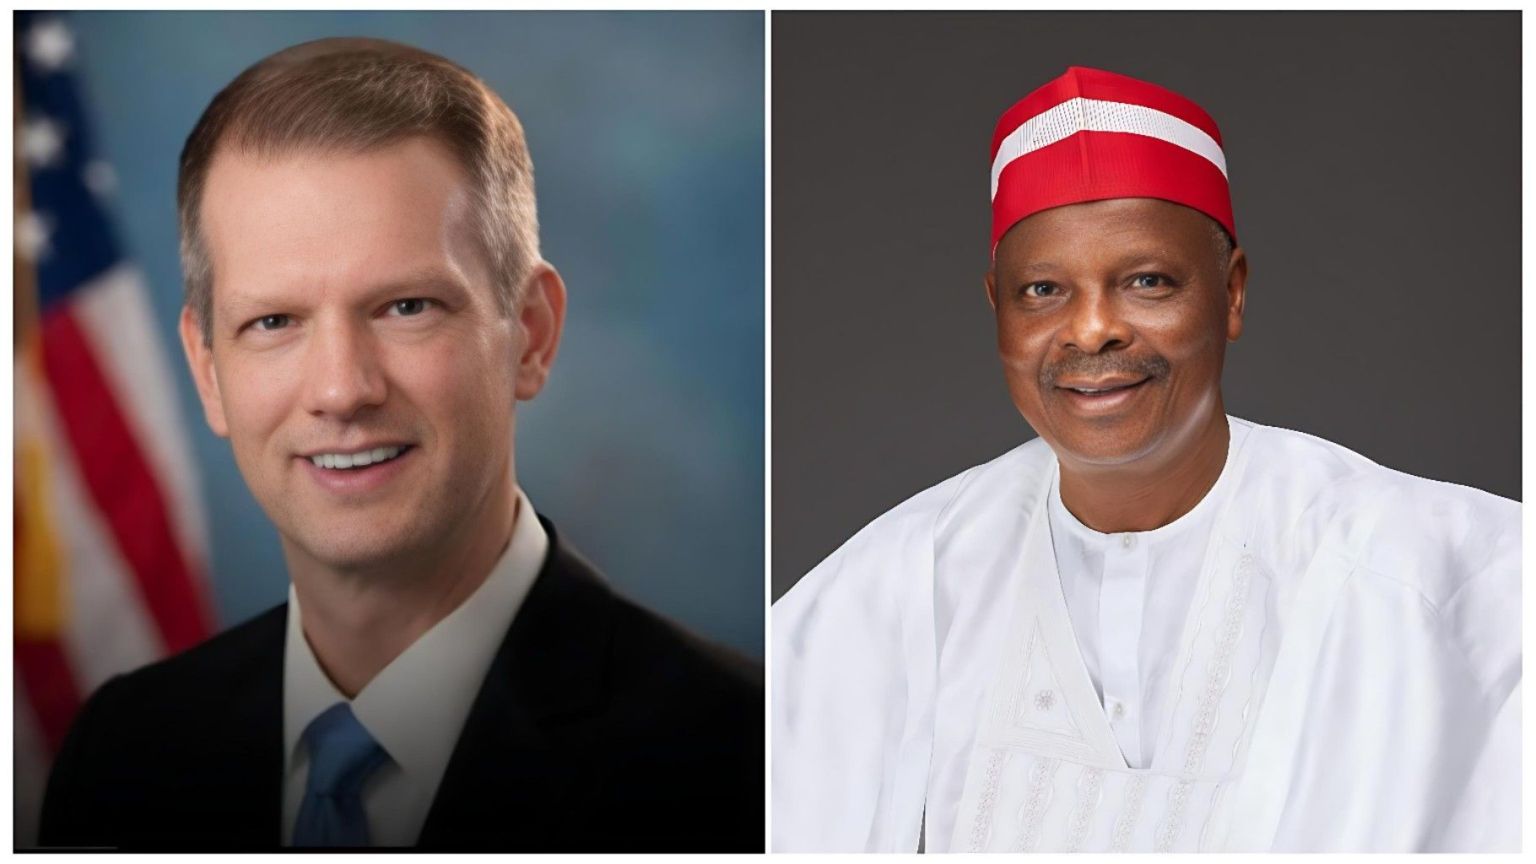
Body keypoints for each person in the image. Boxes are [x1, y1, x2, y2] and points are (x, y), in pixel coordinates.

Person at [39, 37, 762, 852]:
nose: (343, 390)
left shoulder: (746, 759)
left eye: (406, 307)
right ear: (208, 369)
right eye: (273, 322)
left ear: (530, 334)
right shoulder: (122, 755)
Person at [772, 66, 1519, 853]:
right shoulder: (904, 581)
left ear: (1230, 294)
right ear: (997, 308)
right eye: (1043, 291)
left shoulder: (1418, 567)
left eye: (1147, 281)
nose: (1092, 330)